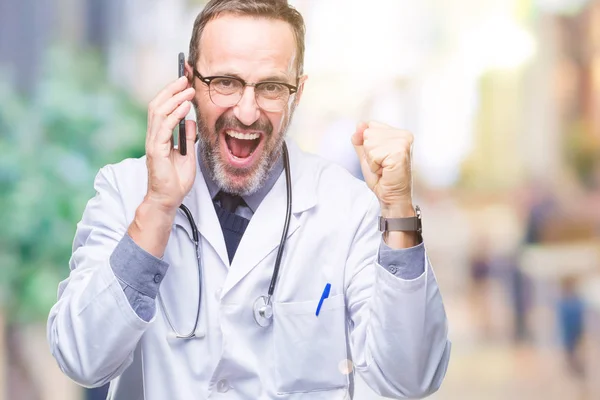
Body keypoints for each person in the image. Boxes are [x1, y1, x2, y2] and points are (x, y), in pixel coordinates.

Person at [47, 1, 451, 398]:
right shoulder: (126, 191)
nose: (246, 110)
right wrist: (157, 208)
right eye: (225, 81)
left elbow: (409, 379)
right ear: (188, 82)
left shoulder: (347, 208)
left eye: (271, 87)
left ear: (298, 92)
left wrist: (398, 209)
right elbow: (82, 360)